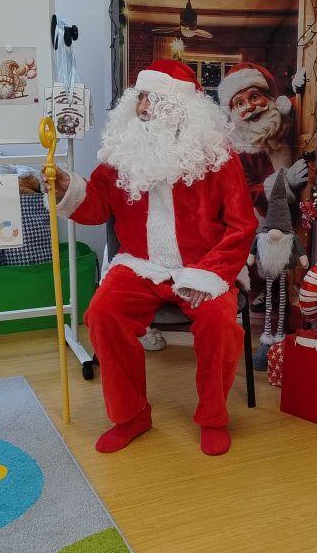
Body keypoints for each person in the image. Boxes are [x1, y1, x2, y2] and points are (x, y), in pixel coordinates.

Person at [46, 60, 257, 456]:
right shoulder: (123, 151)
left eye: (151, 99)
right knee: (102, 314)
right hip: (139, 265)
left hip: (203, 266)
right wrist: (64, 187)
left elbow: (241, 225)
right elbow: (96, 205)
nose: (142, 107)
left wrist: (210, 274)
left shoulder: (217, 157)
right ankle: (131, 416)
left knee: (219, 324)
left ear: (180, 109)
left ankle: (213, 417)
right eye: (140, 98)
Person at [217, 62, 309, 217]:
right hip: (269, 218)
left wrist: (300, 91)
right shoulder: (239, 149)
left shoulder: (282, 117)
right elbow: (247, 191)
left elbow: (302, 110)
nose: (249, 107)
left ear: (268, 97)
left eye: (254, 97)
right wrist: (284, 182)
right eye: (240, 103)